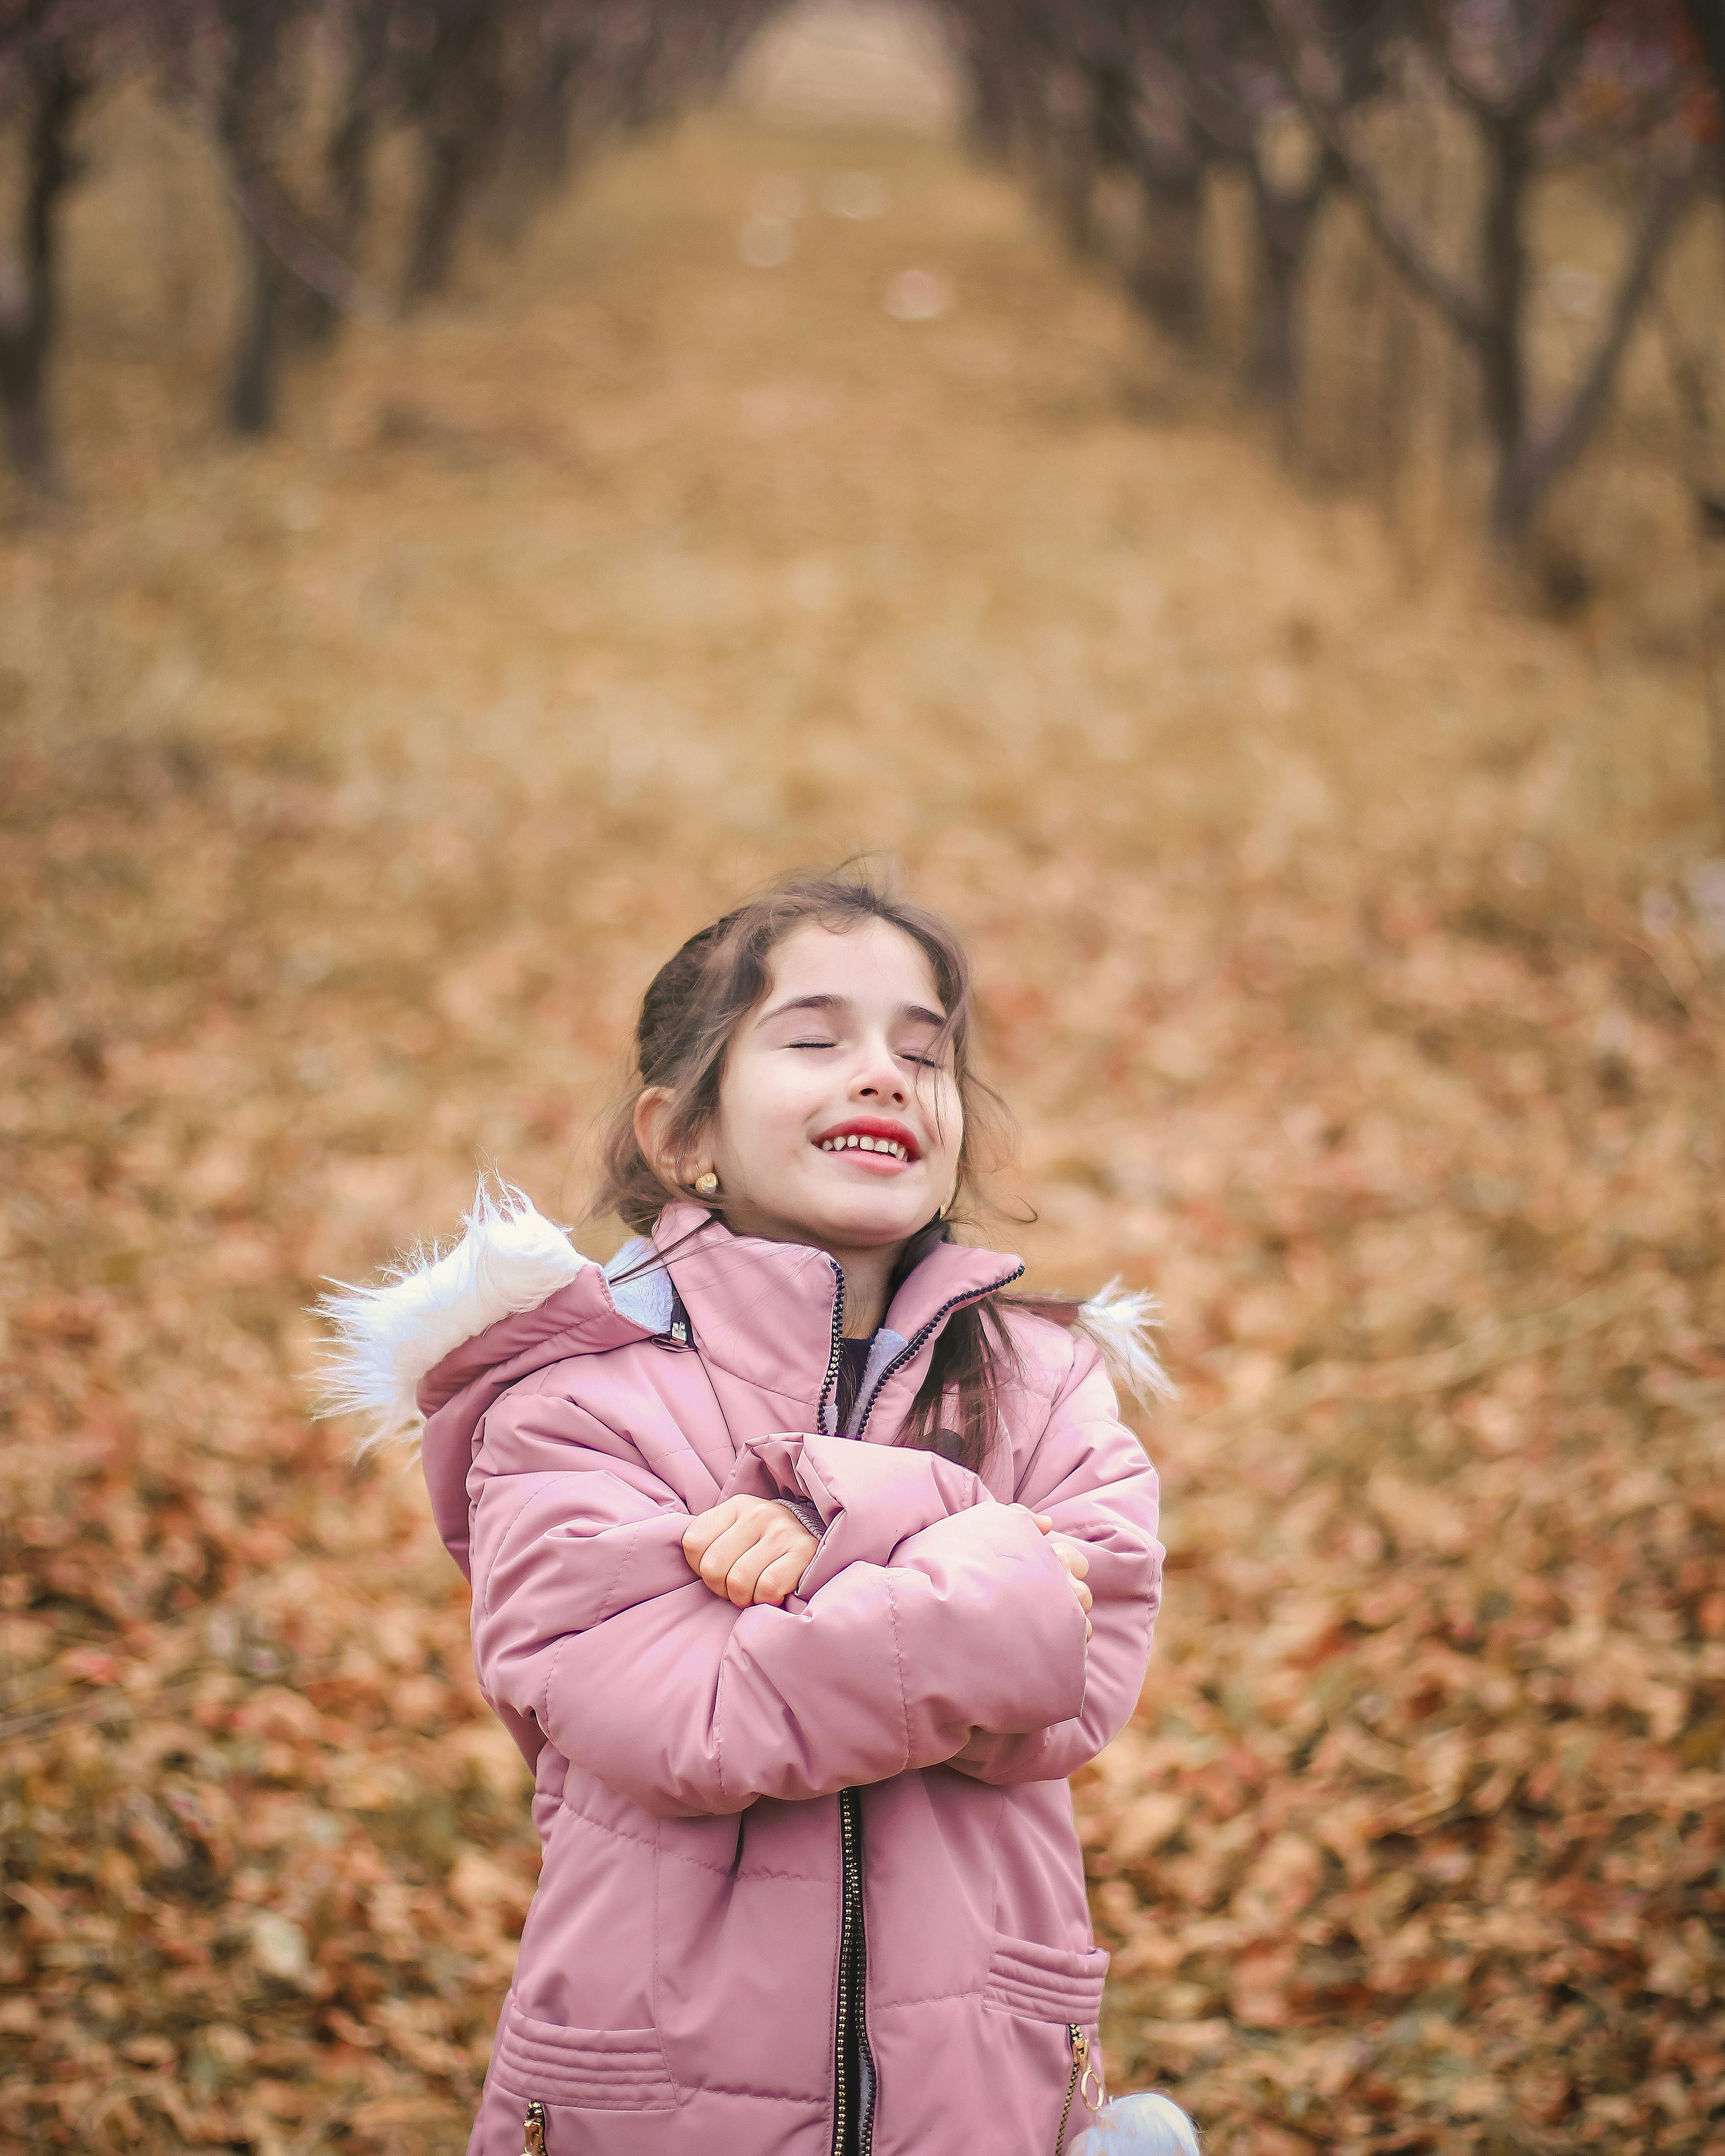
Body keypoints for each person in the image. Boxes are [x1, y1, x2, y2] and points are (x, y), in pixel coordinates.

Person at [324, 869, 1172, 2156]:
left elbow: (1079, 1664)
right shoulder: (568, 1405)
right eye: (815, 1040)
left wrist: (855, 1517)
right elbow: (692, 1717)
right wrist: (982, 1571)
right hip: (661, 2095)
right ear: (683, 1135)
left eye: (924, 1053)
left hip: (979, 2088)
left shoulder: (1040, 1381)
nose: (883, 1074)